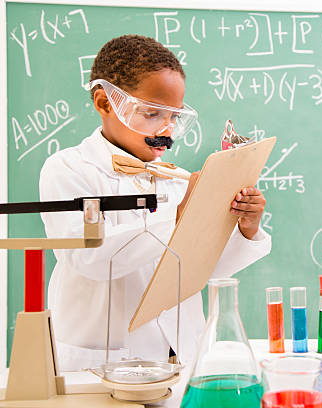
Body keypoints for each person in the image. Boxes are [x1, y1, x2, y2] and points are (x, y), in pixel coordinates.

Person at [39, 35, 271, 371]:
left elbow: (197, 269)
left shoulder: (174, 178)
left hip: (181, 358)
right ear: (105, 103)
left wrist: (245, 229)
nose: (167, 129)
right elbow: (88, 257)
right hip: (103, 364)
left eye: (175, 117)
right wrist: (178, 220)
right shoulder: (69, 169)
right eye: (151, 113)